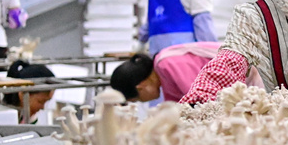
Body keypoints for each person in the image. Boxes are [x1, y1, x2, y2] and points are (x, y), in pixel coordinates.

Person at [111, 41, 261, 103]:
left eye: (137, 99)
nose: (143, 101)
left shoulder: (165, 64)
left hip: (251, 71)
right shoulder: (163, 74)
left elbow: (200, 99)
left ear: (141, 86)